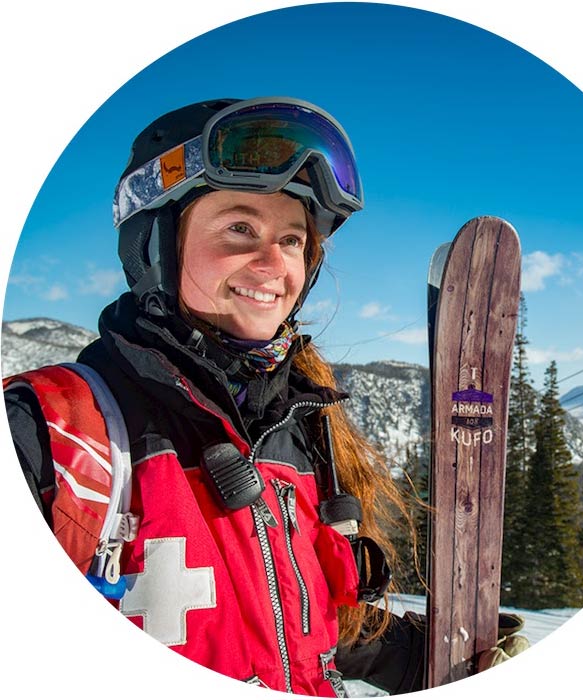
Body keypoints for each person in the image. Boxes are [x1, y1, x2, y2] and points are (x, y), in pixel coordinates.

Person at [4, 97, 426, 695]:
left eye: (291, 238)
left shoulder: (304, 429)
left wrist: (428, 658)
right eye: (240, 228)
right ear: (156, 243)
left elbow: (309, 629)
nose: (272, 264)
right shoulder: (50, 434)